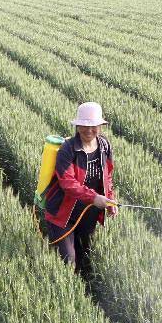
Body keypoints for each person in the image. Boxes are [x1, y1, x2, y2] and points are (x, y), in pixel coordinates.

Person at [41, 102, 117, 280]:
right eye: (84, 125)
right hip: (63, 213)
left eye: (93, 126)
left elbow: (108, 176)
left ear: (100, 126)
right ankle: (63, 289)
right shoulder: (68, 149)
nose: (88, 130)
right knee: (68, 260)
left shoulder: (104, 146)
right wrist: (93, 197)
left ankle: (82, 292)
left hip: (88, 212)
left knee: (84, 254)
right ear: (77, 126)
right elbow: (67, 183)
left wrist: (110, 200)